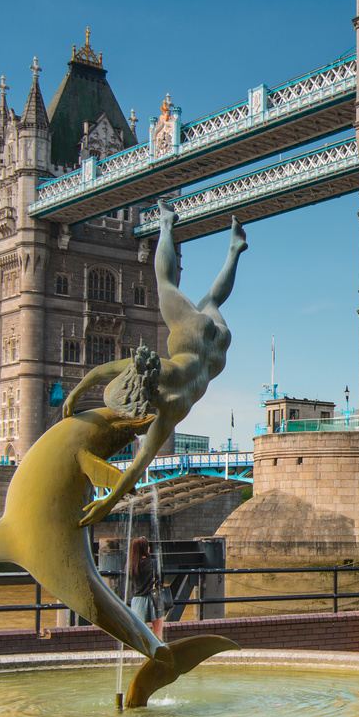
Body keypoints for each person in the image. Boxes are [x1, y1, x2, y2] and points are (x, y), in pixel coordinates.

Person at [66, 200, 247, 527]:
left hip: (217, 349)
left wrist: (107, 503)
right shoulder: (159, 372)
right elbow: (105, 371)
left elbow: (138, 466)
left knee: (205, 299)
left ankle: (230, 248)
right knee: (173, 285)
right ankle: (167, 224)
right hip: (193, 339)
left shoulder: (169, 410)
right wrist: (77, 391)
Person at [125, 536, 167, 637]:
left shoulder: (130, 565)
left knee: (139, 632)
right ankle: (157, 651)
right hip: (153, 598)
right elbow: (160, 578)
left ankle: (142, 651)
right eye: (147, 546)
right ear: (145, 549)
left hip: (137, 599)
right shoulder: (152, 563)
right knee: (157, 631)